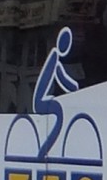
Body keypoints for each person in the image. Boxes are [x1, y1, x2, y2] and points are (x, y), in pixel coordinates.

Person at [33, 26, 78, 159]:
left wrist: (74, 88)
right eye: (65, 43)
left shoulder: (55, 58)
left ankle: (44, 151)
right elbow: (64, 80)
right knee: (60, 111)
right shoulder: (54, 57)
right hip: (40, 102)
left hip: (43, 99)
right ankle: (43, 152)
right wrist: (76, 89)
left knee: (59, 111)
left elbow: (64, 80)